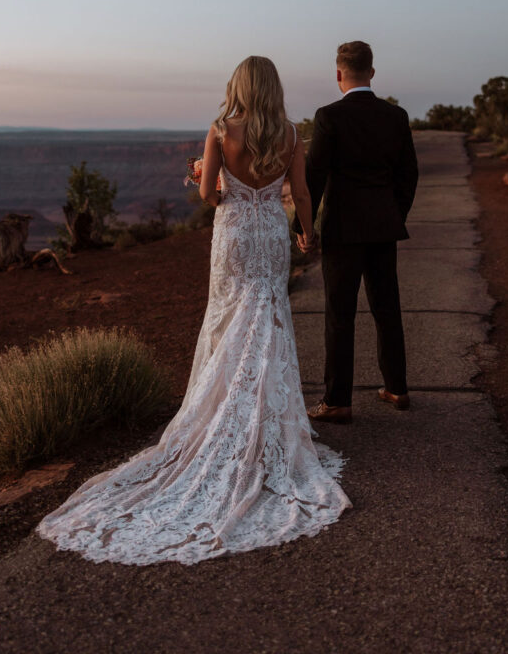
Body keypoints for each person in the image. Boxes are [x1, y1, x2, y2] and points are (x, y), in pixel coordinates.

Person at [36, 56, 351, 565]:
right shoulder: (292, 134)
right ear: (273, 87)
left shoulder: (221, 128)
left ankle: (218, 415)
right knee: (268, 319)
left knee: (228, 320)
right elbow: (302, 191)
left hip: (232, 236)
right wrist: (306, 232)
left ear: (239, 86)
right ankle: (265, 422)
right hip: (271, 231)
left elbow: (209, 196)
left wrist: (211, 176)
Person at [294, 41, 418, 424]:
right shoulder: (395, 116)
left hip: (343, 229)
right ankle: (397, 388)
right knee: (387, 308)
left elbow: (313, 175)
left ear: (338, 74)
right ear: (372, 72)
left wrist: (303, 226)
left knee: (339, 314)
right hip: (383, 227)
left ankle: (337, 401)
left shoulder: (329, 117)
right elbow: (408, 175)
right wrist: (393, 213)